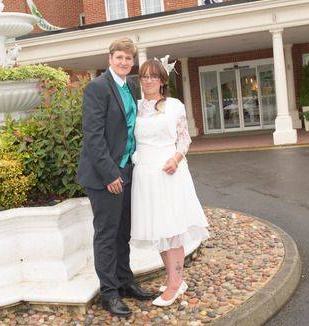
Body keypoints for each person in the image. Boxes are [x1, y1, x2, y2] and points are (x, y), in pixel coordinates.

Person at [77, 38, 154, 317]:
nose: (124, 62)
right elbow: (93, 136)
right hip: (104, 174)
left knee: (123, 231)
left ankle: (124, 281)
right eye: (119, 57)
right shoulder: (97, 88)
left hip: (128, 170)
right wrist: (110, 173)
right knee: (107, 234)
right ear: (110, 58)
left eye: (128, 59)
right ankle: (109, 292)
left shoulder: (132, 86)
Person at [130, 57, 210, 307]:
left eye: (153, 76)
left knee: (172, 229)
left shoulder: (175, 106)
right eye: (144, 76)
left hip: (169, 172)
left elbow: (184, 140)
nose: (148, 80)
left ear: (163, 80)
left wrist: (175, 159)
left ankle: (175, 284)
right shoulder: (136, 107)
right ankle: (174, 277)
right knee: (158, 229)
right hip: (145, 173)